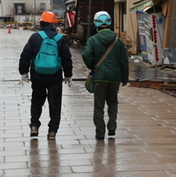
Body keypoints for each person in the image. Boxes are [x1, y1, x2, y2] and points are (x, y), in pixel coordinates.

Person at [19, 11, 73, 139]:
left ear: (41, 23)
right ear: (53, 24)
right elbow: (66, 58)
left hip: (38, 75)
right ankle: (52, 132)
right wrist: (68, 74)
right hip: (55, 76)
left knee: (37, 101)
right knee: (55, 104)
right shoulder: (60, 39)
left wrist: (23, 72)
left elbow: (25, 56)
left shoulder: (35, 37)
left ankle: (34, 126)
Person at [82, 11, 129, 140]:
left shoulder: (92, 40)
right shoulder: (118, 41)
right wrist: (124, 78)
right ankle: (112, 128)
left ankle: (100, 132)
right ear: (109, 23)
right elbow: (124, 61)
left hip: (99, 77)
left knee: (99, 106)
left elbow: (86, 55)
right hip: (115, 78)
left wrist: (92, 66)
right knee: (113, 102)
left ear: (96, 23)